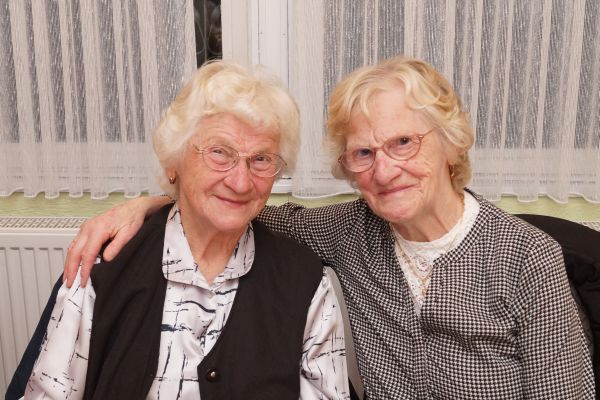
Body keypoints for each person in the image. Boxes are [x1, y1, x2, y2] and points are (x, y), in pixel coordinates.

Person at [62, 56, 595, 399]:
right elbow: (238, 200)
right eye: (363, 153)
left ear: (452, 144)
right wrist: (156, 198)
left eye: (403, 143)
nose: (384, 170)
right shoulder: (353, 231)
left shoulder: (528, 257)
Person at [8, 61, 350, 399]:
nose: (241, 182)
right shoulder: (103, 265)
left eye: (261, 159)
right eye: (220, 152)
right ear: (174, 161)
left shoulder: (307, 282)